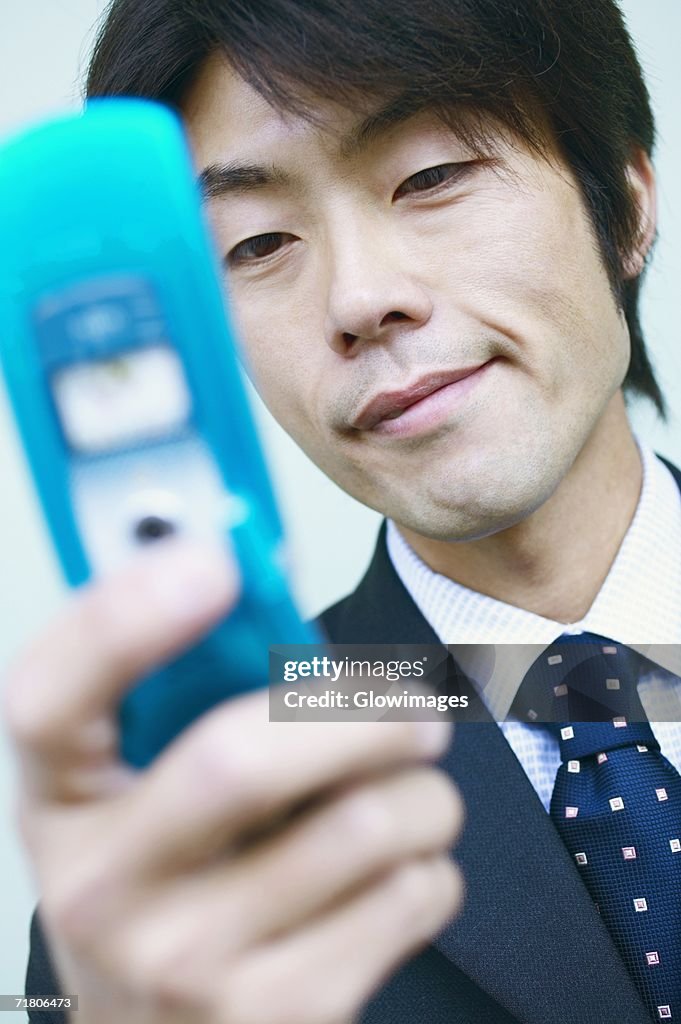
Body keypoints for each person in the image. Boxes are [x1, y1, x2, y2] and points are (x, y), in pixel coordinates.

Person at [7, 0, 678, 1021]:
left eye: (433, 175)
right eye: (258, 241)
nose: (360, 298)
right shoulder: (175, 882)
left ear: (626, 204)